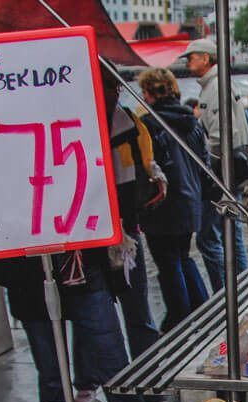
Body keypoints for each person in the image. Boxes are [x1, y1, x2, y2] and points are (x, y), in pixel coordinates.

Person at [0, 252, 142, 402]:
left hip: (84, 270)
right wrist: (10, 274)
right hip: (30, 283)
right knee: (52, 378)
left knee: (114, 367)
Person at [138, 67, 211, 333]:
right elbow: (205, 162)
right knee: (183, 256)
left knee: (169, 264)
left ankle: (177, 322)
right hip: (191, 201)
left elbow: (146, 167)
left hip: (164, 206)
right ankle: (203, 310)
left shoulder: (149, 124)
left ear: (149, 91)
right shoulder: (191, 121)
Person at [179, 38, 248, 294]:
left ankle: (226, 291)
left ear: (206, 58)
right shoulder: (218, 84)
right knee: (232, 229)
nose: (187, 62)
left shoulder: (215, 87)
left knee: (208, 236)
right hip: (231, 170)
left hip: (221, 172)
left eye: (191, 57)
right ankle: (243, 284)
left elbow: (222, 134)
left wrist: (205, 159)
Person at [100, 71, 161, 359]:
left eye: (113, 85)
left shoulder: (131, 122)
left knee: (137, 304)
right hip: (92, 235)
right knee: (98, 317)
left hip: (128, 228)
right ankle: (90, 381)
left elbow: (149, 162)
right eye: (104, 86)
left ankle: (148, 372)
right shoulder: (77, 123)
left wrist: (159, 178)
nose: (111, 92)